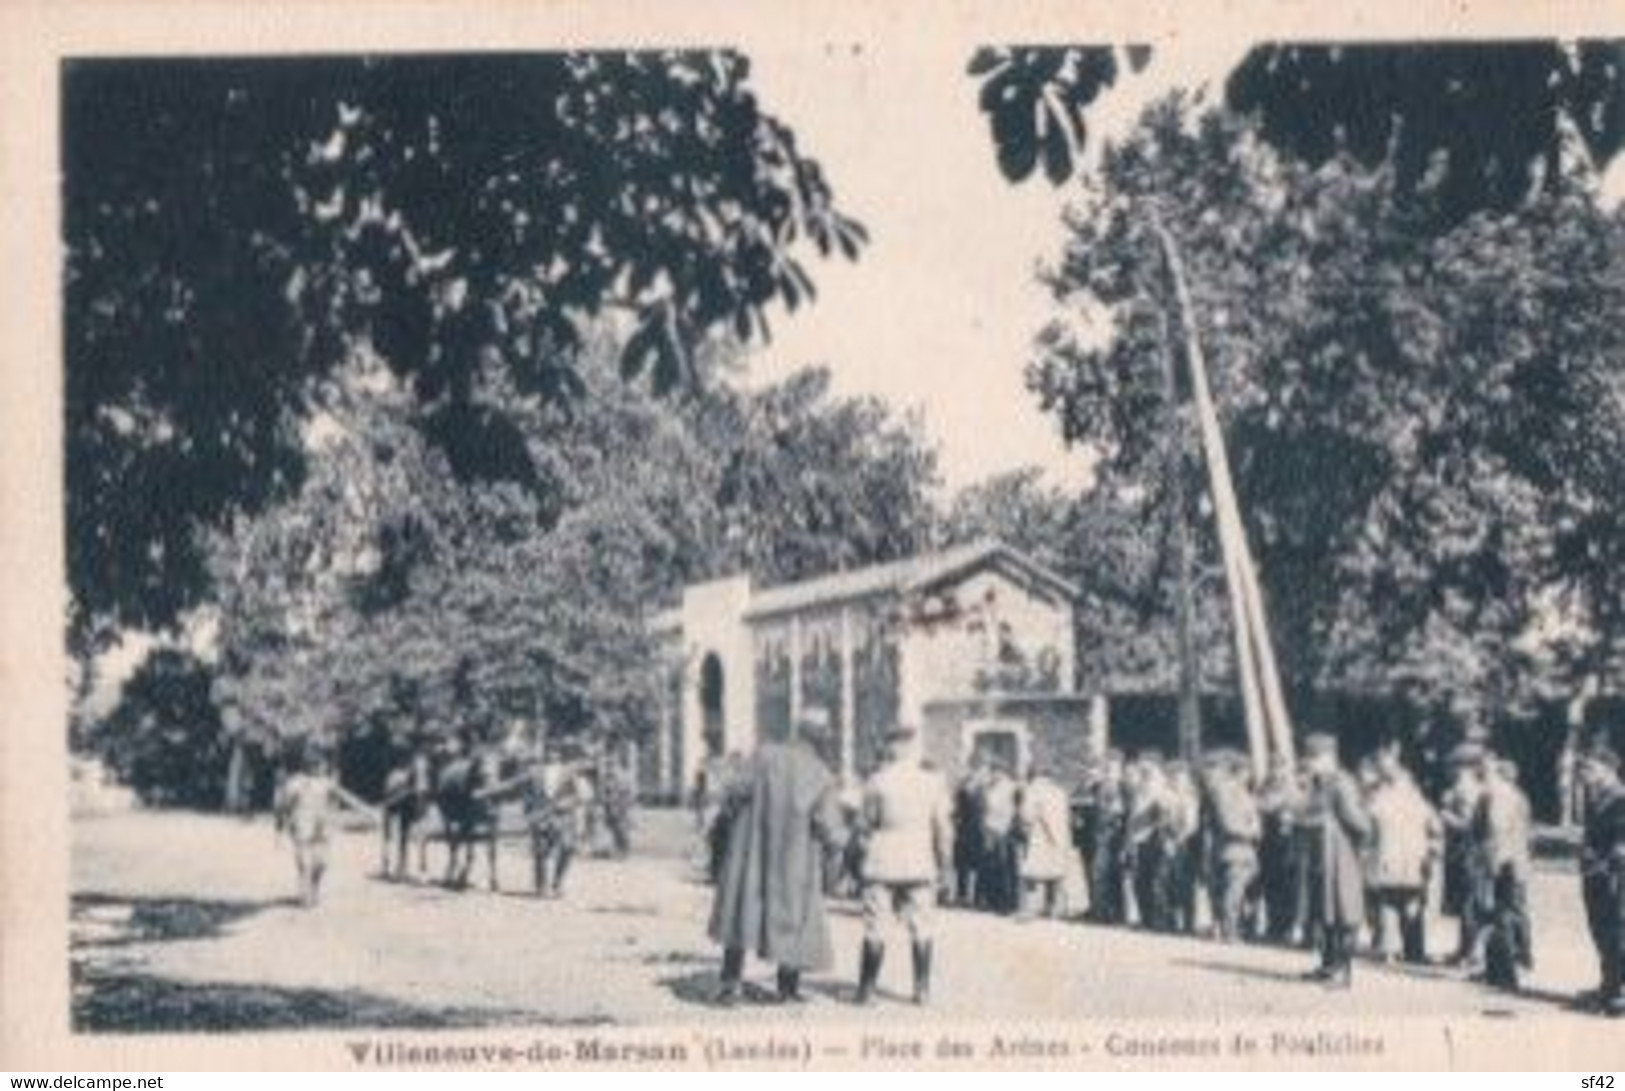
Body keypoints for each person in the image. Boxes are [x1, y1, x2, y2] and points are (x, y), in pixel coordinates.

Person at [709, 709, 846, 1005]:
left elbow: (733, 792)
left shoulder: (763, 756)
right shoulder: (821, 774)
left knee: (742, 911)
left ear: (797, 731)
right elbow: (829, 827)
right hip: (795, 857)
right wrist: (842, 847)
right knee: (796, 916)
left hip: (751, 851)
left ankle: (730, 983)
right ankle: (787, 987)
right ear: (822, 739)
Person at [854, 723, 952, 1005]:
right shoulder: (932, 782)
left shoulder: (877, 781)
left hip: (883, 857)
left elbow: (864, 823)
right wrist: (945, 864)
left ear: (891, 747)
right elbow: (943, 829)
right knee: (923, 925)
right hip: (920, 858)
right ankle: (922, 990)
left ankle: (867, 990)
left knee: (876, 925)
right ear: (911, 747)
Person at [1298, 732, 1372, 987]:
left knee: (1343, 912)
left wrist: (1358, 845)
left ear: (1328, 757)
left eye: (1314, 758)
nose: (1309, 763)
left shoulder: (1341, 783)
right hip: (1322, 856)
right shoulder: (1320, 783)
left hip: (1340, 856)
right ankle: (1329, 965)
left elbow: (1358, 822)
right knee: (1324, 912)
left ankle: (1343, 970)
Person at [1364, 742, 1440, 965]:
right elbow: (1434, 825)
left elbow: (1369, 825)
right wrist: (1431, 851)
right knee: (1411, 904)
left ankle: (1388, 949)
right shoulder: (1417, 799)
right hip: (1414, 860)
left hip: (1387, 858)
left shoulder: (1378, 800)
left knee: (1387, 903)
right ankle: (1414, 949)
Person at [274, 748, 369, 908]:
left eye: (321, 765)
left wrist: (365, 809)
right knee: (304, 863)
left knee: (322, 863)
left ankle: (314, 887)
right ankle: (304, 895)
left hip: (322, 827)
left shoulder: (326, 783)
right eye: (318, 764)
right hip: (302, 825)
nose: (321, 767)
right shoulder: (295, 783)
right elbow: (283, 805)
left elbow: (345, 796)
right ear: (309, 765)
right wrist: (280, 825)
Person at [1577, 745, 1625, 1016]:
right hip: (1595, 874)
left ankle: (1619, 992)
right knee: (1601, 930)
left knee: (1618, 930)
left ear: (1609, 770)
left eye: (1590, 769)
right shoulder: (1595, 797)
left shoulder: (1621, 798)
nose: (1584, 774)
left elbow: (1622, 842)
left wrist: (1605, 863)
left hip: (1614, 875)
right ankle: (1610, 985)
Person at [1203, 750, 1263, 943]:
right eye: (1247, 772)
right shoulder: (1227, 791)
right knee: (1232, 893)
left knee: (1237, 892)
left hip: (1242, 851)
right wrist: (1252, 831)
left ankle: (1231, 928)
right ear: (1240, 772)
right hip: (1234, 849)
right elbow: (1228, 822)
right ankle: (1230, 931)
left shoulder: (1242, 792)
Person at [1440, 740, 1488, 967]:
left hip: (1467, 851)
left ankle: (1472, 951)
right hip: (1459, 851)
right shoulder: (1465, 788)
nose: (1450, 770)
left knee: (1470, 902)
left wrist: (1446, 817)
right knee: (1463, 901)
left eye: (1455, 765)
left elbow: (1469, 824)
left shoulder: (1466, 789)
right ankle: (1463, 948)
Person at [524, 743, 584, 899]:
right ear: (545, 754)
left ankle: (558, 883)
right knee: (540, 852)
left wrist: (566, 803)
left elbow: (578, 795)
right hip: (541, 817)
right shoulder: (535, 772)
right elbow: (527, 796)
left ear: (560, 754)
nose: (552, 755)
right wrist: (529, 814)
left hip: (562, 817)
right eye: (550, 752)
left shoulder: (569, 772)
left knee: (567, 848)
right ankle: (541, 885)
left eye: (555, 752)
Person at [1017, 757, 1073, 919]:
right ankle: (1053, 908)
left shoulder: (1033, 790)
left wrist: (1024, 823)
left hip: (1039, 836)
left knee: (1031, 875)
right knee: (1054, 874)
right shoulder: (1059, 792)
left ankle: (1027, 909)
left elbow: (1026, 815)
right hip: (1059, 837)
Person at [1256, 752, 1303, 943]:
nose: (1276, 772)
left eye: (1280, 767)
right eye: (1273, 767)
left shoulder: (1292, 789)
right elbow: (1258, 806)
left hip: (1286, 843)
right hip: (1267, 843)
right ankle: (1273, 925)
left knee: (1287, 886)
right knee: (1270, 884)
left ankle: (1286, 926)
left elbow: (1296, 807)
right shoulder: (1263, 788)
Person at [1085, 750, 1128, 925]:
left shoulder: (1123, 787)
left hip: (1115, 836)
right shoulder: (1098, 787)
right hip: (1100, 835)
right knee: (1099, 873)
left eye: (1113, 768)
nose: (1109, 771)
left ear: (1119, 769)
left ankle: (1115, 912)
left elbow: (1124, 812)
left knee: (1114, 875)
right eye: (1107, 768)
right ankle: (1099, 910)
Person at [980, 757, 1021, 914]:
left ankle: (1008, 903)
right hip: (992, 829)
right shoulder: (991, 788)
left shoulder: (1012, 787)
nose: (993, 775)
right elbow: (987, 809)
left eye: (995, 771)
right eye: (992, 771)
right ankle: (995, 900)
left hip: (1005, 831)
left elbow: (1015, 810)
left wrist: (1009, 827)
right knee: (993, 866)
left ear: (1002, 772)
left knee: (1006, 867)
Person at [950, 758, 988, 907]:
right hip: (965, 830)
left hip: (976, 830)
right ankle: (962, 895)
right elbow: (956, 810)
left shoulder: (981, 790)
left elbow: (984, 810)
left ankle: (977, 897)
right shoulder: (962, 789)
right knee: (962, 865)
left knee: (978, 865)